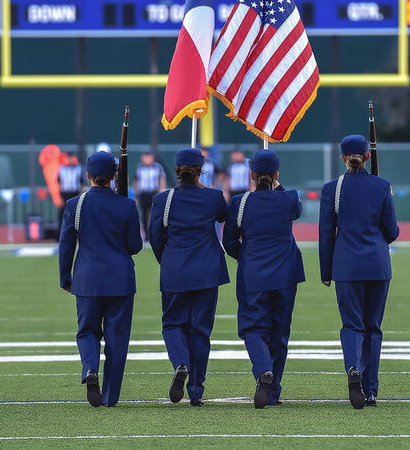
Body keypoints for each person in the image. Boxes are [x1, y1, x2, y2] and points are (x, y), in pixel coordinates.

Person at [319, 134, 399, 409]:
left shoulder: (332, 189)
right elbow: (392, 231)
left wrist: (325, 272)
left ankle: (353, 369)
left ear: (342, 158)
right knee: (373, 328)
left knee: (352, 325)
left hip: (346, 267)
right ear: (367, 156)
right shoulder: (382, 186)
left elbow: (326, 234)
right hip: (377, 265)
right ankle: (371, 389)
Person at [58, 151, 143, 407]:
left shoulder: (76, 204)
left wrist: (65, 277)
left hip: (87, 279)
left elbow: (66, 245)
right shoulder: (127, 204)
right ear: (114, 176)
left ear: (88, 176)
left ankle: (90, 368)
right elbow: (135, 245)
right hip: (120, 281)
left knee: (87, 332)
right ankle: (110, 396)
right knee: (117, 340)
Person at [222, 149, 304, 408]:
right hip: (285, 275)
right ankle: (273, 392)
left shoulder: (240, 202)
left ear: (252, 175)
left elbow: (230, 242)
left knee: (252, 329)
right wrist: (277, 184)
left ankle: (263, 369)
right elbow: (297, 209)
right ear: (277, 175)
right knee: (280, 334)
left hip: (253, 275)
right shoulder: (289, 198)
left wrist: (246, 258)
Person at [149, 148, 229, 406]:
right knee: (200, 331)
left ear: (176, 171)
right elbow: (224, 215)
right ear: (201, 170)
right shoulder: (213, 197)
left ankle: (180, 362)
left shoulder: (163, 200)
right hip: (207, 272)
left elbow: (155, 238)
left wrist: (169, 260)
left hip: (175, 270)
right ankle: (196, 391)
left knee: (172, 324)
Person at [134, 150, 167, 241]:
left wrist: (162, 193)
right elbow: (136, 181)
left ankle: (155, 235)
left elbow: (162, 180)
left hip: (154, 193)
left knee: (154, 215)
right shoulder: (139, 168)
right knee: (144, 215)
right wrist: (136, 195)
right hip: (143, 194)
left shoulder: (157, 167)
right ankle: (146, 237)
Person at [58, 153, 84, 227]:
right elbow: (59, 183)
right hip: (65, 194)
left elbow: (82, 183)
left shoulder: (79, 168)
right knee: (62, 215)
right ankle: (59, 235)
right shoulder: (61, 169)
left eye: (71, 158)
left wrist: (80, 197)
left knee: (76, 214)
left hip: (75, 193)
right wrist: (60, 198)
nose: (70, 160)